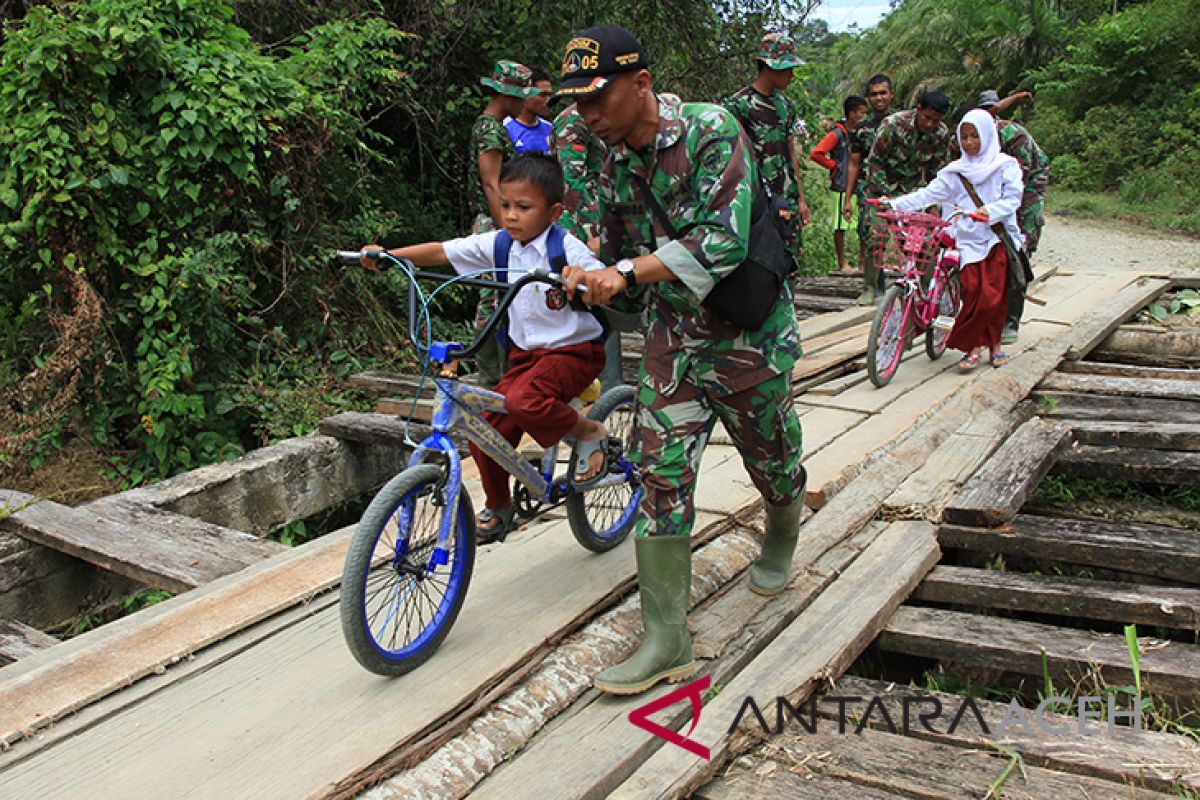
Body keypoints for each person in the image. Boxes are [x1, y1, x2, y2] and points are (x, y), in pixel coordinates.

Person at [556, 24, 806, 695]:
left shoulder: (710, 129)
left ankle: (782, 527)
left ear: (640, 84)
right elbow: (596, 239)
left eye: (597, 97)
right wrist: (575, 269)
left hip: (745, 333)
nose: (587, 113)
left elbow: (722, 243)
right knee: (661, 475)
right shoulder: (604, 155)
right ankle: (667, 639)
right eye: (576, 102)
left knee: (773, 458)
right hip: (673, 338)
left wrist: (628, 273)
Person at [360, 154, 611, 541]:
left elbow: (592, 272)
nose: (511, 216)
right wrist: (393, 256)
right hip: (526, 357)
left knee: (524, 402)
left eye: (524, 208)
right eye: (506, 205)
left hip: (572, 352)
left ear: (554, 211)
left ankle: (587, 429)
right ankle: (498, 504)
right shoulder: (498, 245)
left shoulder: (564, 246)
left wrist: (581, 275)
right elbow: (443, 251)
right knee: (483, 430)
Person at [885, 109, 1024, 370]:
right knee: (973, 294)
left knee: (993, 297)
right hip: (968, 240)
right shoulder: (955, 172)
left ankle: (991, 346)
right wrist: (893, 204)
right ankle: (976, 346)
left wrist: (990, 211)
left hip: (996, 237)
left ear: (987, 136)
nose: (969, 143)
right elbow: (927, 195)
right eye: (964, 137)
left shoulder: (1006, 166)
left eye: (975, 137)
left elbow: (1013, 199)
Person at [553, 100, 631, 393]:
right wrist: (589, 234)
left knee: (604, 301)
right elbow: (571, 183)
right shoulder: (572, 122)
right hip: (579, 233)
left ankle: (608, 391)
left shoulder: (604, 117)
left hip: (602, 225)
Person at [471, 60, 540, 388]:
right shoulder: (489, 128)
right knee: (493, 298)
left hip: (498, 221)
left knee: (504, 297)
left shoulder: (495, 126)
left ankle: (505, 377)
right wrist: (510, 232)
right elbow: (491, 184)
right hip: (493, 224)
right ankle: (490, 377)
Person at [722, 32, 812, 262]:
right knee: (759, 262)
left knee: (788, 261)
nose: (791, 75)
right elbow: (731, 159)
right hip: (756, 201)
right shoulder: (739, 105)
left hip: (786, 199)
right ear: (767, 66)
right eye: (786, 68)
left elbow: (791, 152)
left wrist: (801, 199)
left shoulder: (786, 105)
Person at [862, 90, 954, 291]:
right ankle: (870, 288)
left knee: (924, 242)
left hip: (914, 192)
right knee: (876, 235)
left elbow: (937, 171)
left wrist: (933, 203)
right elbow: (875, 162)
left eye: (935, 121)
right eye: (927, 118)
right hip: (884, 187)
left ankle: (921, 290)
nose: (930, 124)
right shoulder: (893, 125)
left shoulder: (941, 134)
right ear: (918, 109)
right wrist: (882, 193)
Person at [978, 89, 1050, 344]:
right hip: (997, 195)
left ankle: (1011, 320)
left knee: (1017, 251)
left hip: (1028, 187)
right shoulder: (972, 138)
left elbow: (1016, 184)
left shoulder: (1013, 136)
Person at [843, 73, 895, 303]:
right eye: (874, 94)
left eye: (883, 93)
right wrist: (848, 198)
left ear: (891, 94)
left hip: (901, 187)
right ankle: (871, 286)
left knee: (912, 239)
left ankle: (919, 287)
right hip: (870, 189)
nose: (879, 98)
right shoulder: (861, 128)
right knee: (871, 236)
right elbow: (854, 163)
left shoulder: (902, 122)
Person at [810, 95, 868, 274]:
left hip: (860, 184)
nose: (864, 116)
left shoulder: (861, 133)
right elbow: (817, 153)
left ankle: (862, 262)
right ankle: (842, 262)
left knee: (863, 224)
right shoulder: (837, 134)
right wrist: (834, 166)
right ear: (852, 114)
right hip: (841, 185)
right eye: (861, 113)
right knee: (839, 225)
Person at [505, 66, 554, 154]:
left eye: (549, 95)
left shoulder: (551, 129)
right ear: (526, 93)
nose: (548, 100)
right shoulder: (506, 128)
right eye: (542, 95)